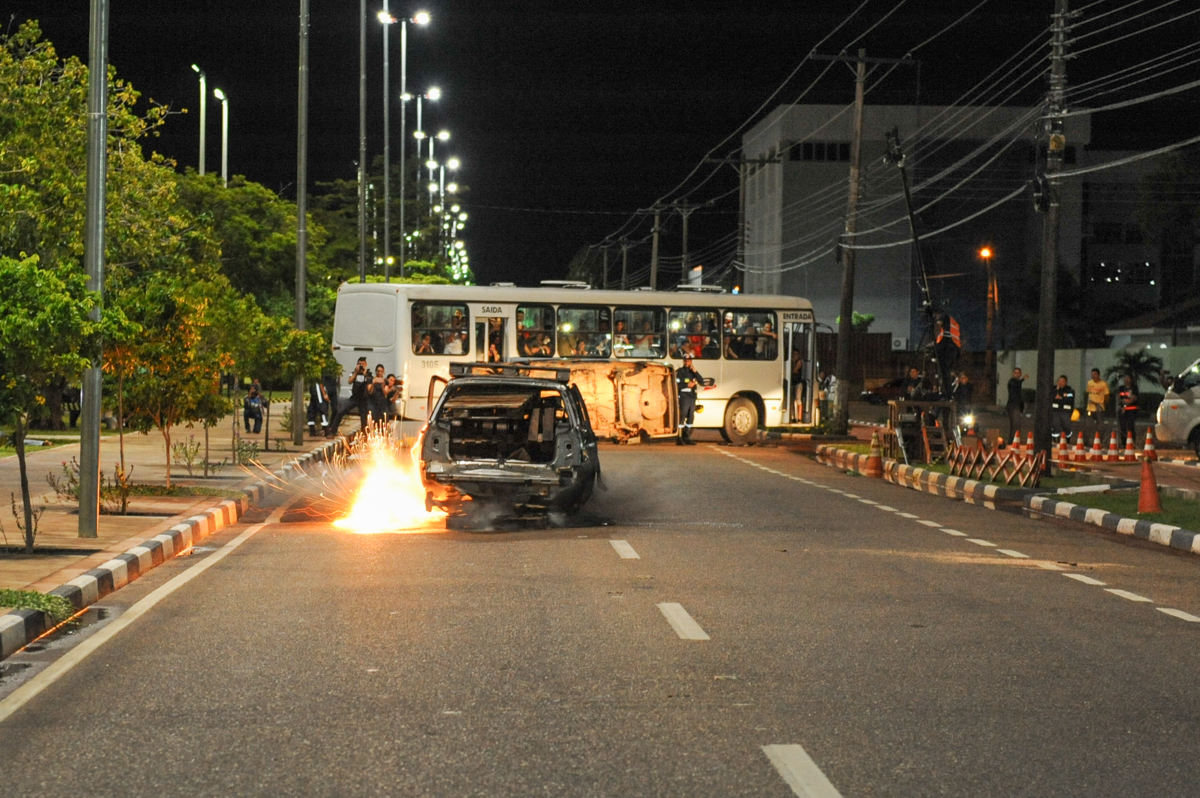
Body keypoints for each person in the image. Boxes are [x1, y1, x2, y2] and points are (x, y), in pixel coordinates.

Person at [331, 356, 370, 434]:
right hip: (354, 398)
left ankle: (365, 435)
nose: (361, 366)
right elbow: (350, 381)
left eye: (363, 364)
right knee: (341, 411)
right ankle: (332, 431)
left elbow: (370, 382)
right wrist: (356, 372)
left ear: (366, 364)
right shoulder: (353, 373)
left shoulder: (368, 374)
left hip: (363, 399)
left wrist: (365, 374)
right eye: (360, 364)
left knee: (364, 418)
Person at [676, 354, 705, 445]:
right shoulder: (679, 372)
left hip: (692, 397)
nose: (687, 362)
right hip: (683, 397)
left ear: (691, 361)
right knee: (682, 416)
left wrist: (695, 372)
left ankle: (687, 437)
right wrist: (686, 385)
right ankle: (679, 437)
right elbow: (676, 386)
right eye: (685, 360)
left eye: (689, 361)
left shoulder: (693, 372)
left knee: (691, 417)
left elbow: (702, 382)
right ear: (683, 361)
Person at [1085, 367, 1110, 441]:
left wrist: (1103, 404)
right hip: (1090, 408)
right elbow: (1088, 393)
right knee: (1087, 425)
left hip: (1099, 408)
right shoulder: (1089, 383)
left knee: (1100, 426)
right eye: (1092, 374)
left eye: (1095, 374)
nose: (1093, 376)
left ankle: (1100, 441)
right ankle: (1086, 441)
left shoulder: (1103, 384)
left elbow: (1107, 396)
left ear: (1098, 375)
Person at [1050, 374, 1076, 445]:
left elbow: (1070, 398)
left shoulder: (1069, 390)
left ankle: (1067, 442)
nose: (1061, 383)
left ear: (1066, 382)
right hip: (1055, 411)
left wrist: (1061, 398)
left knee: (1066, 426)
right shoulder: (1054, 389)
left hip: (1065, 412)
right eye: (1060, 381)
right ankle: (1055, 442)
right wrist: (1056, 390)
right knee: (1055, 425)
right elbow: (1051, 397)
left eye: (1063, 381)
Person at [1116, 374, 1139, 445]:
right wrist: (1123, 403)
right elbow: (1118, 398)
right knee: (1122, 427)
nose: (1126, 380)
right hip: (1122, 410)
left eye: (1128, 378)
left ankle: (1132, 442)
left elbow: (1133, 399)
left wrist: (1126, 404)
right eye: (1125, 378)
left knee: (1130, 426)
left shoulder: (1134, 388)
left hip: (1131, 410)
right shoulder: (1121, 388)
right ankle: (1124, 443)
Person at [1006, 367, 1026, 438]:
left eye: (1018, 373)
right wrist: (1023, 379)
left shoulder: (1017, 382)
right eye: (1016, 373)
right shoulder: (1012, 381)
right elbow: (1016, 385)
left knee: (1016, 425)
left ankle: (1014, 440)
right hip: (1012, 405)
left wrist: (1022, 406)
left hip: (1016, 405)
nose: (1017, 375)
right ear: (1013, 374)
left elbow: (1019, 396)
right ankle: (1012, 441)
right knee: (1015, 425)